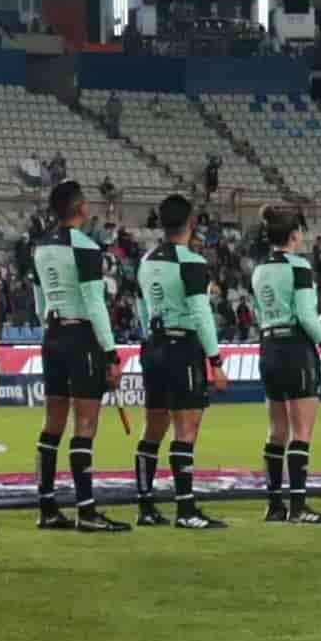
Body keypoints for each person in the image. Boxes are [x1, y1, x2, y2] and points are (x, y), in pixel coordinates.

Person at [24, 178, 129, 533]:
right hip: (81, 335)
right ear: (79, 207)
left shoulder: (39, 247)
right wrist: (111, 352)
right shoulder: (85, 247)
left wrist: (52, 325)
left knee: (52, 422)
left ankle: (47, 506)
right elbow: (95, 304)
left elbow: (39, 302)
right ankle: (86, 511)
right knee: (85, 424)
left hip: (52, 335)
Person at [131, 191, 227, 529]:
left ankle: (145, 506)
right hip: (182, 346)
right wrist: (215, 360)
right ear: (191, 222)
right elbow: (201, 315)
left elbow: (142, 306)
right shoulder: (192, 262)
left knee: (154, 426)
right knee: (186, 428)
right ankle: (186, 509)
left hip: (153, 345)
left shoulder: (146, 260)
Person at [247, 204, 321, 522]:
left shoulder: (259, 270)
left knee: (276, 431)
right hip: (296, 348)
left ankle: (274, 505)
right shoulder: (298, 267)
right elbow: (306, 315)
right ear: (295, 235)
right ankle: (298, 507)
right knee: (301, 431)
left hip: (268, 346)